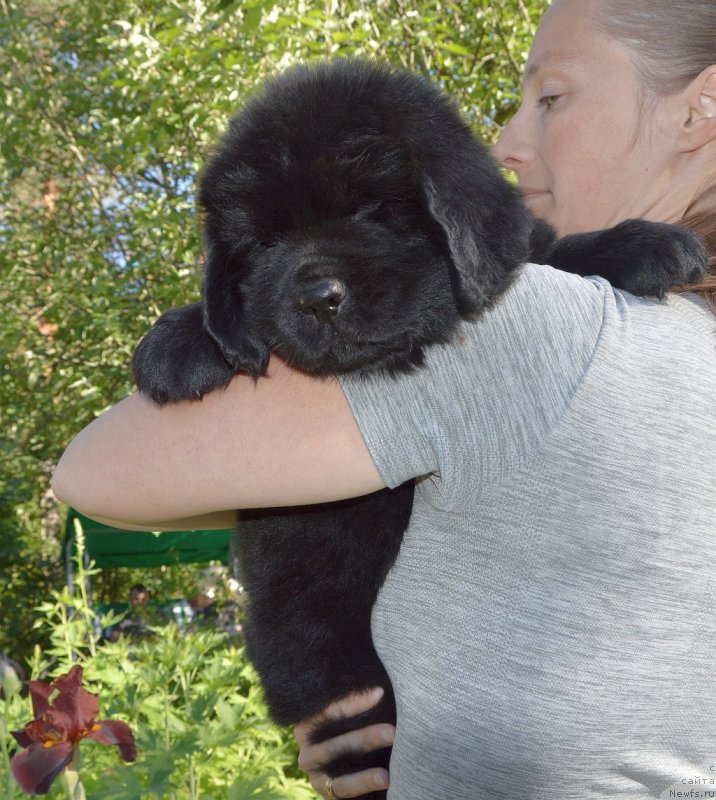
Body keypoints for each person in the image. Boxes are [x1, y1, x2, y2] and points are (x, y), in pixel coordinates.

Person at [51, 0, 715, 796]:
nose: (508, 140)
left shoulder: (518, 334)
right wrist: (212, 325)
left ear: (699, 110)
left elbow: (90, 474)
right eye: (265, 245)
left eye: (552, 97)